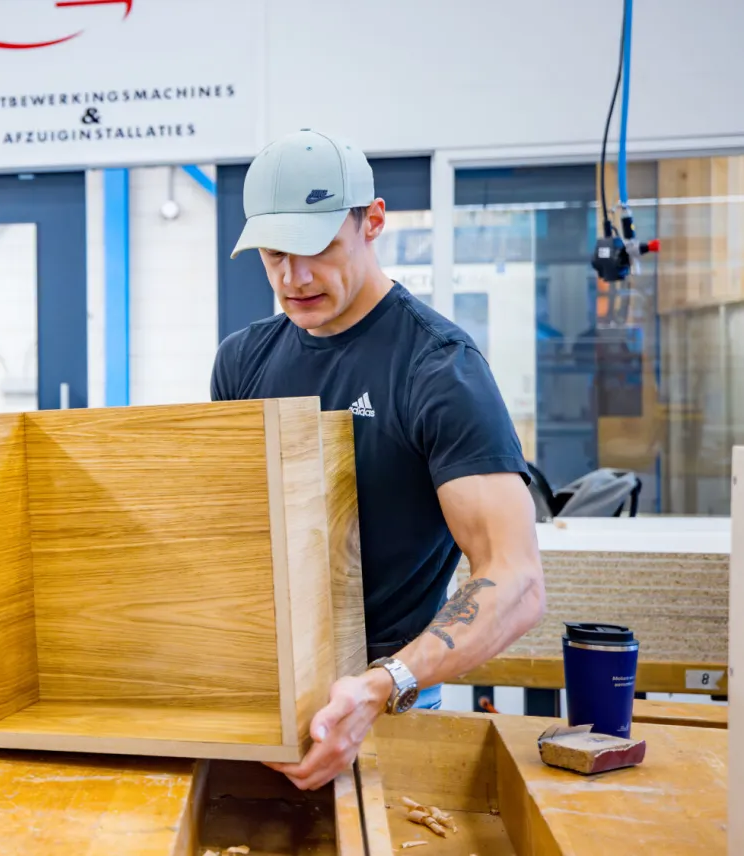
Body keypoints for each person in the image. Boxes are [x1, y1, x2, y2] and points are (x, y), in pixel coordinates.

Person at [211, 129, 546, 791]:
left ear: (373, 222)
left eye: (316, 250)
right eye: (273, 255)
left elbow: (516, 579)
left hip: (387, 700)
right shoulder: (241, 361)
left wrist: (381, 683)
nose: (293, 277)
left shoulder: (439, 369)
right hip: (262, 693)